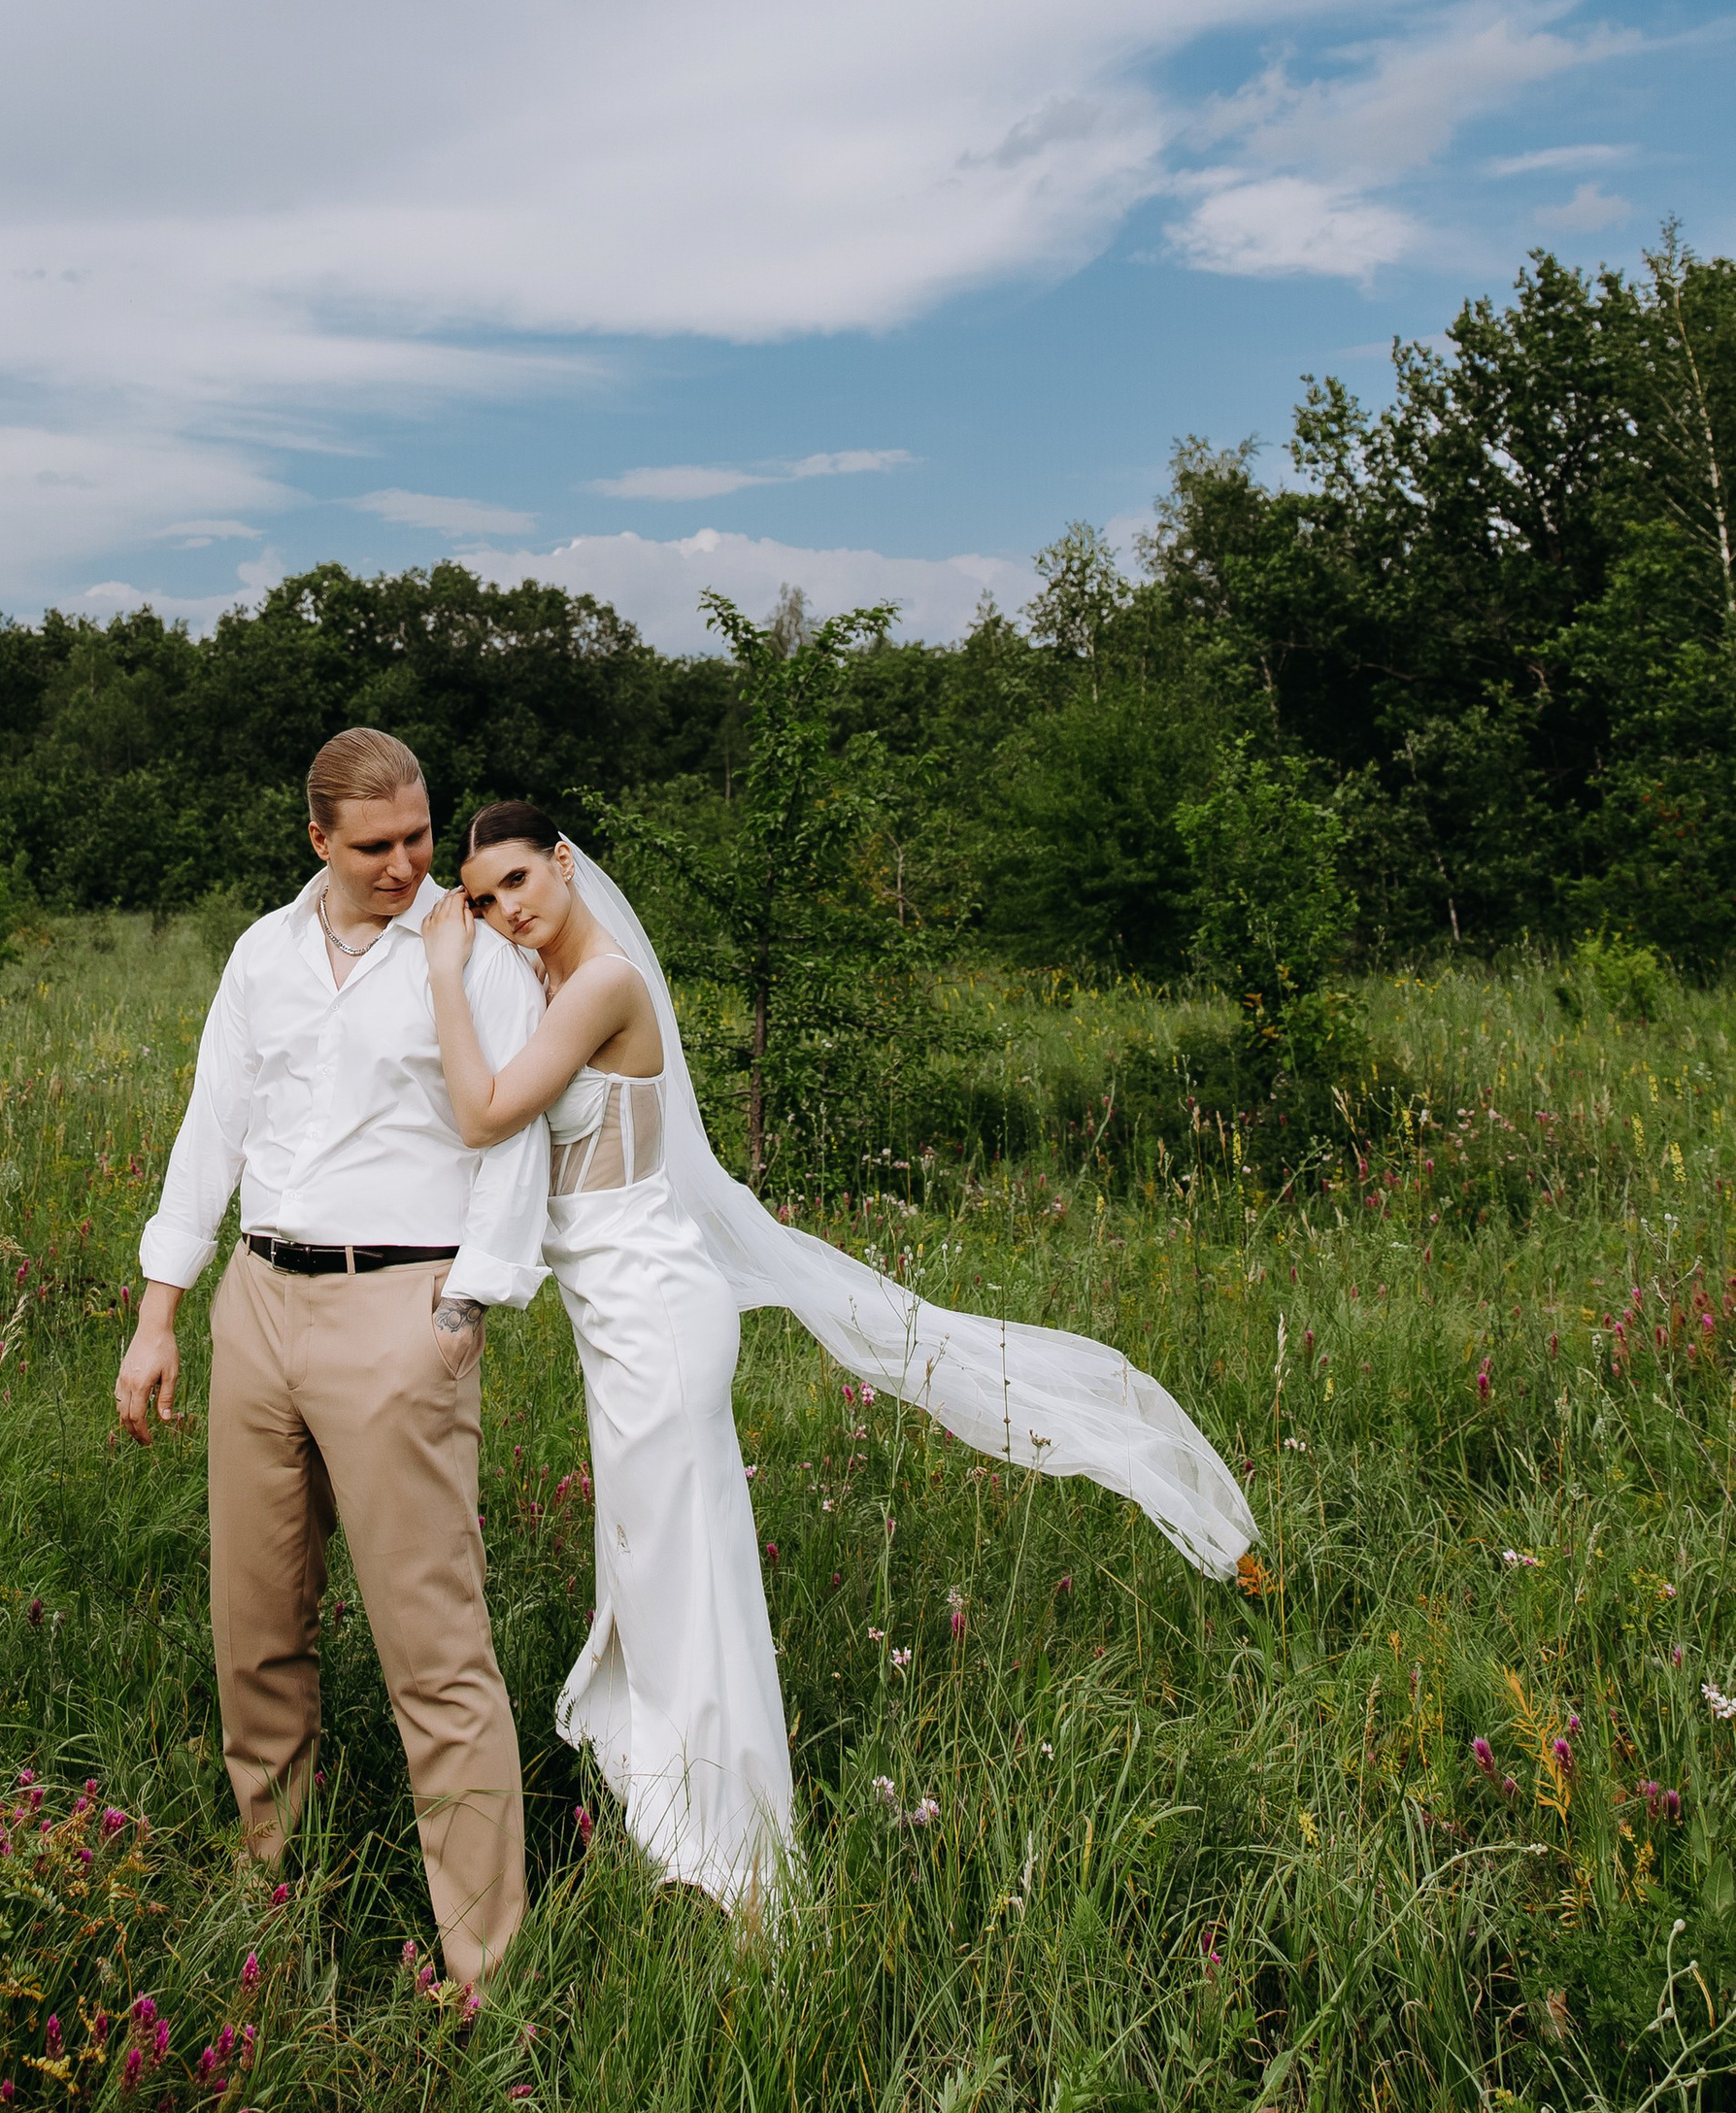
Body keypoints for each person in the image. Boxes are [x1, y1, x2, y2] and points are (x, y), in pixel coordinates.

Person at [423, 803, 1260, 1909]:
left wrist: (443, 963)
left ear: (565, 864)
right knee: (650, 1569)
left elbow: (484, 1112)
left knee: (687, 1581)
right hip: (615, 1313)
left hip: (656, 1315)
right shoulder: (544, 983)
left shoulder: (603, 985)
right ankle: (671, 1811)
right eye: (481, 899)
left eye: (518, 880)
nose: (503, 910)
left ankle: (731, 1856)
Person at [113, 729, 551, 1988]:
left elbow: (515, 1142)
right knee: (256, 1624)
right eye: (376, 846)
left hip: (401, 1307)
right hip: (259, 1299)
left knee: (434, 1649)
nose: (407, 864)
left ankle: (485, 1962)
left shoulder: (471, 956)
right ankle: (266, 1887)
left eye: (420, 837)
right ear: (318, 841)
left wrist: (463, 1312)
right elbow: (214, 1125)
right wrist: (160, 1313)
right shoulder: (264, 952)